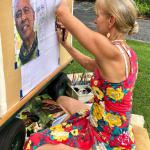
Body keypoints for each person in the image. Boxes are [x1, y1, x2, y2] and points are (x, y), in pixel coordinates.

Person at [24, 0, 139, 149]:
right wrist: (66, 45)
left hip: (106, 139)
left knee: (34, 143)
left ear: (111, 20)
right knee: (62, 100)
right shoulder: (125, 51)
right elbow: (89, 64)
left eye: (97, 15)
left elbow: (62, 12)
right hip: (106, 122)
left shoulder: (110, 51)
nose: (94, 20)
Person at [14, 0, 39, 67]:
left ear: (33, 16)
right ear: (16, 25)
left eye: (26, 10)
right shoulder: (17, 60)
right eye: (18, 14)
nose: (23, 18)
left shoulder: (43, 42)